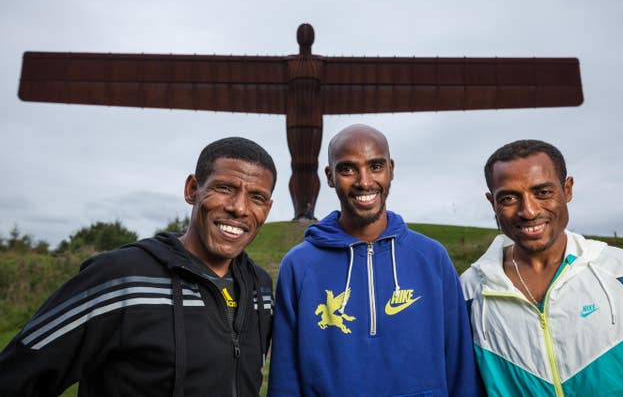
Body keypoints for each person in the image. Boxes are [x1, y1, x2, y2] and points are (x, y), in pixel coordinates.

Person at [0, 137, 277, 397]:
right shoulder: (120, 278)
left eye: (257, 197)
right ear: (192, 189)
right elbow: (14, 377)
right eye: (225, 188)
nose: (239, 208)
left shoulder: (260, 290)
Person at [267, 124, 482, 396]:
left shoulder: (432, 257)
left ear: (391, 169)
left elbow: (460, 366)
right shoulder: (299, 265)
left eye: (375, 166)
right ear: (330, 176)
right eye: (347, 169)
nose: (364, 181)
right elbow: (285, 376)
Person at [460, 139, 623, 396]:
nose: (529, 211)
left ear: (567, 189)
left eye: (543, 192)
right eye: (509, 198)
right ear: (492, 203)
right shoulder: (467, 291)